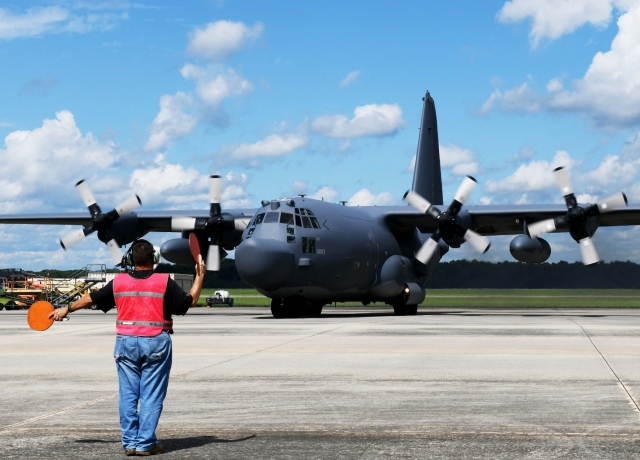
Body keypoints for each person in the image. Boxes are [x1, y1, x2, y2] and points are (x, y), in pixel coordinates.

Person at [50, 239, 206, 456]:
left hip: (125, 344)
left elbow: (91, 299)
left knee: (127, 395)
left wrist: (66, 308)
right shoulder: (163, 282)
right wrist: (199, 276)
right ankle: (145, 444)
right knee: (151, 396)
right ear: (154, 259)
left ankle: (130, 443)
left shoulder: (119, 282)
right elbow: (189, 302)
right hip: (156, 342)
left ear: (131, 260)